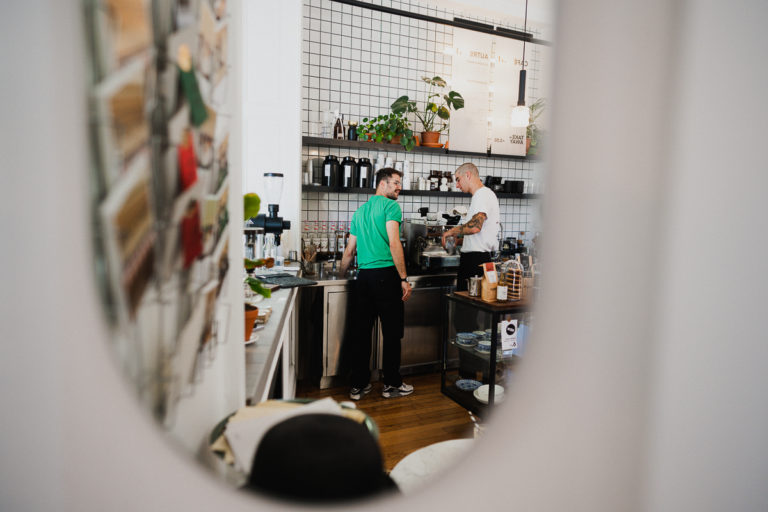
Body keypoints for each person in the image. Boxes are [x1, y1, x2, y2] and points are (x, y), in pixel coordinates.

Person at [340, 167, 414, 400]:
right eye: (395, 182)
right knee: (392, 333)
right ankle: (391, 384)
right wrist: (403, 279)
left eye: (400, 183)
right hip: (386, 276)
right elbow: (394, 242)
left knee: (361, 333)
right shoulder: (391, 207)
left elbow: (349, 251)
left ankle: (359, 385)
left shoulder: (360, 212)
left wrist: (342, 275)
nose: (399, 187)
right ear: (382, 184)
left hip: (363, 279)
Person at [441, 162, 500, 291]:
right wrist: (460, 241)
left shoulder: (482, 194)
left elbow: (475, 227)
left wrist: (451, 231)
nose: (457, 185)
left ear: (467, 175)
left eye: (458, 179)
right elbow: (480, 234)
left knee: (467, 302)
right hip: (478, 259)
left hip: (475, 261)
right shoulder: (483, 195)